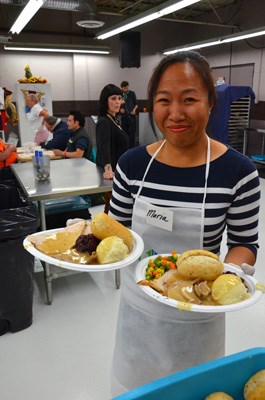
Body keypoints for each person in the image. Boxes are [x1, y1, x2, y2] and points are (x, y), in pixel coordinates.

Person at [109, 51, 260, 395]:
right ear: (152, 105)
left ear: (210, 103)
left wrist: (231, 275)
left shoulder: (239, 172)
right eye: (164, 100)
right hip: (139, 313)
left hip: (198, 313)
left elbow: (244, 243)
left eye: (189, 99)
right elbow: (117, 230)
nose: (175, 113)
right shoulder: (131, 165)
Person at [96, 84, 129, 213]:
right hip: (113, 173)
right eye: (113, 98)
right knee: (113, 208)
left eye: (119, 98)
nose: (117, 102)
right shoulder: (104, 121)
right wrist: (108, 169)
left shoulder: (114, 119)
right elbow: (104, 146)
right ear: (105, 101)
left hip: (119, 171)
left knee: (111, 207)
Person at [120, 80, 138, 148]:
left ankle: (132, 148)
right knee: (124, 133)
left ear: (128, 86)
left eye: (126, 87)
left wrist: (134, 110)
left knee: (132, 134)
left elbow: (136, 104)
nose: (125, 89)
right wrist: (120, 109)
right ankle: (125, 147)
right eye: (124, 88)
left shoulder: (132, 93)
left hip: (132, 116)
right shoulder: (120, 95)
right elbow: (118, 107)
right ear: (121, 88)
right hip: (124, 117)